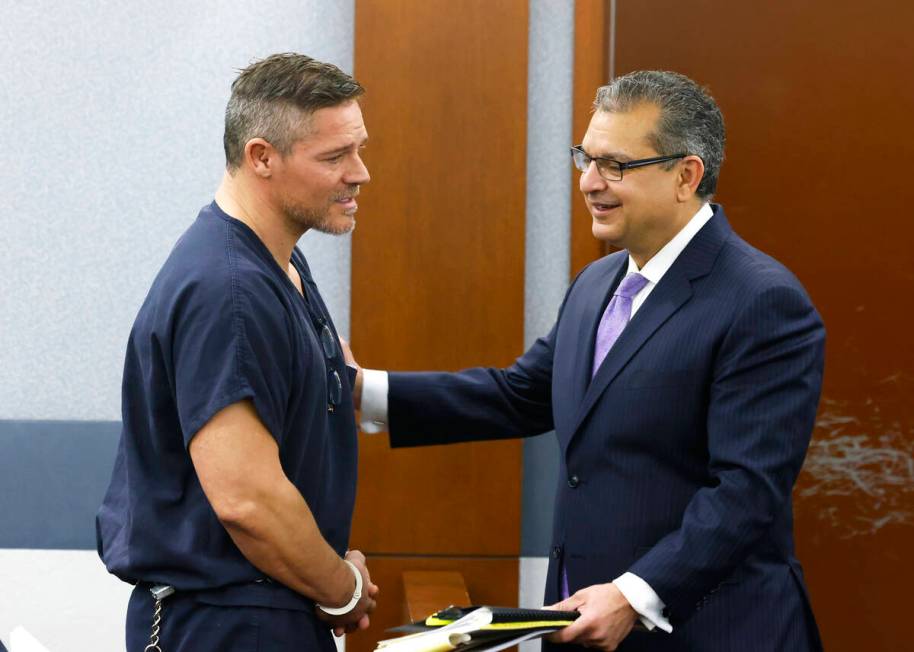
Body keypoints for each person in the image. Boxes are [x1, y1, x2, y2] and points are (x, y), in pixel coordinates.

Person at [349, 71, 824, 651]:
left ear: (686, 175)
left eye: (614, 165)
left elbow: (746, 492)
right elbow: (520, 395)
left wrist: (632, 594)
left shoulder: (762, 300)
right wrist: (359, 391)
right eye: (586, 158)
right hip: (582, 630)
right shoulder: (597, 282)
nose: (588, 182)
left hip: (710, 631)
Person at [96, 53, 377, 652]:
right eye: (335, 157)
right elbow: (248, 502)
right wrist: (343, 588)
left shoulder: (279, 265)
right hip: (227, 624)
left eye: (358, 149)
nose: (361, 173)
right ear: (261, 157)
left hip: (269, 611)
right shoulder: (230, 289)